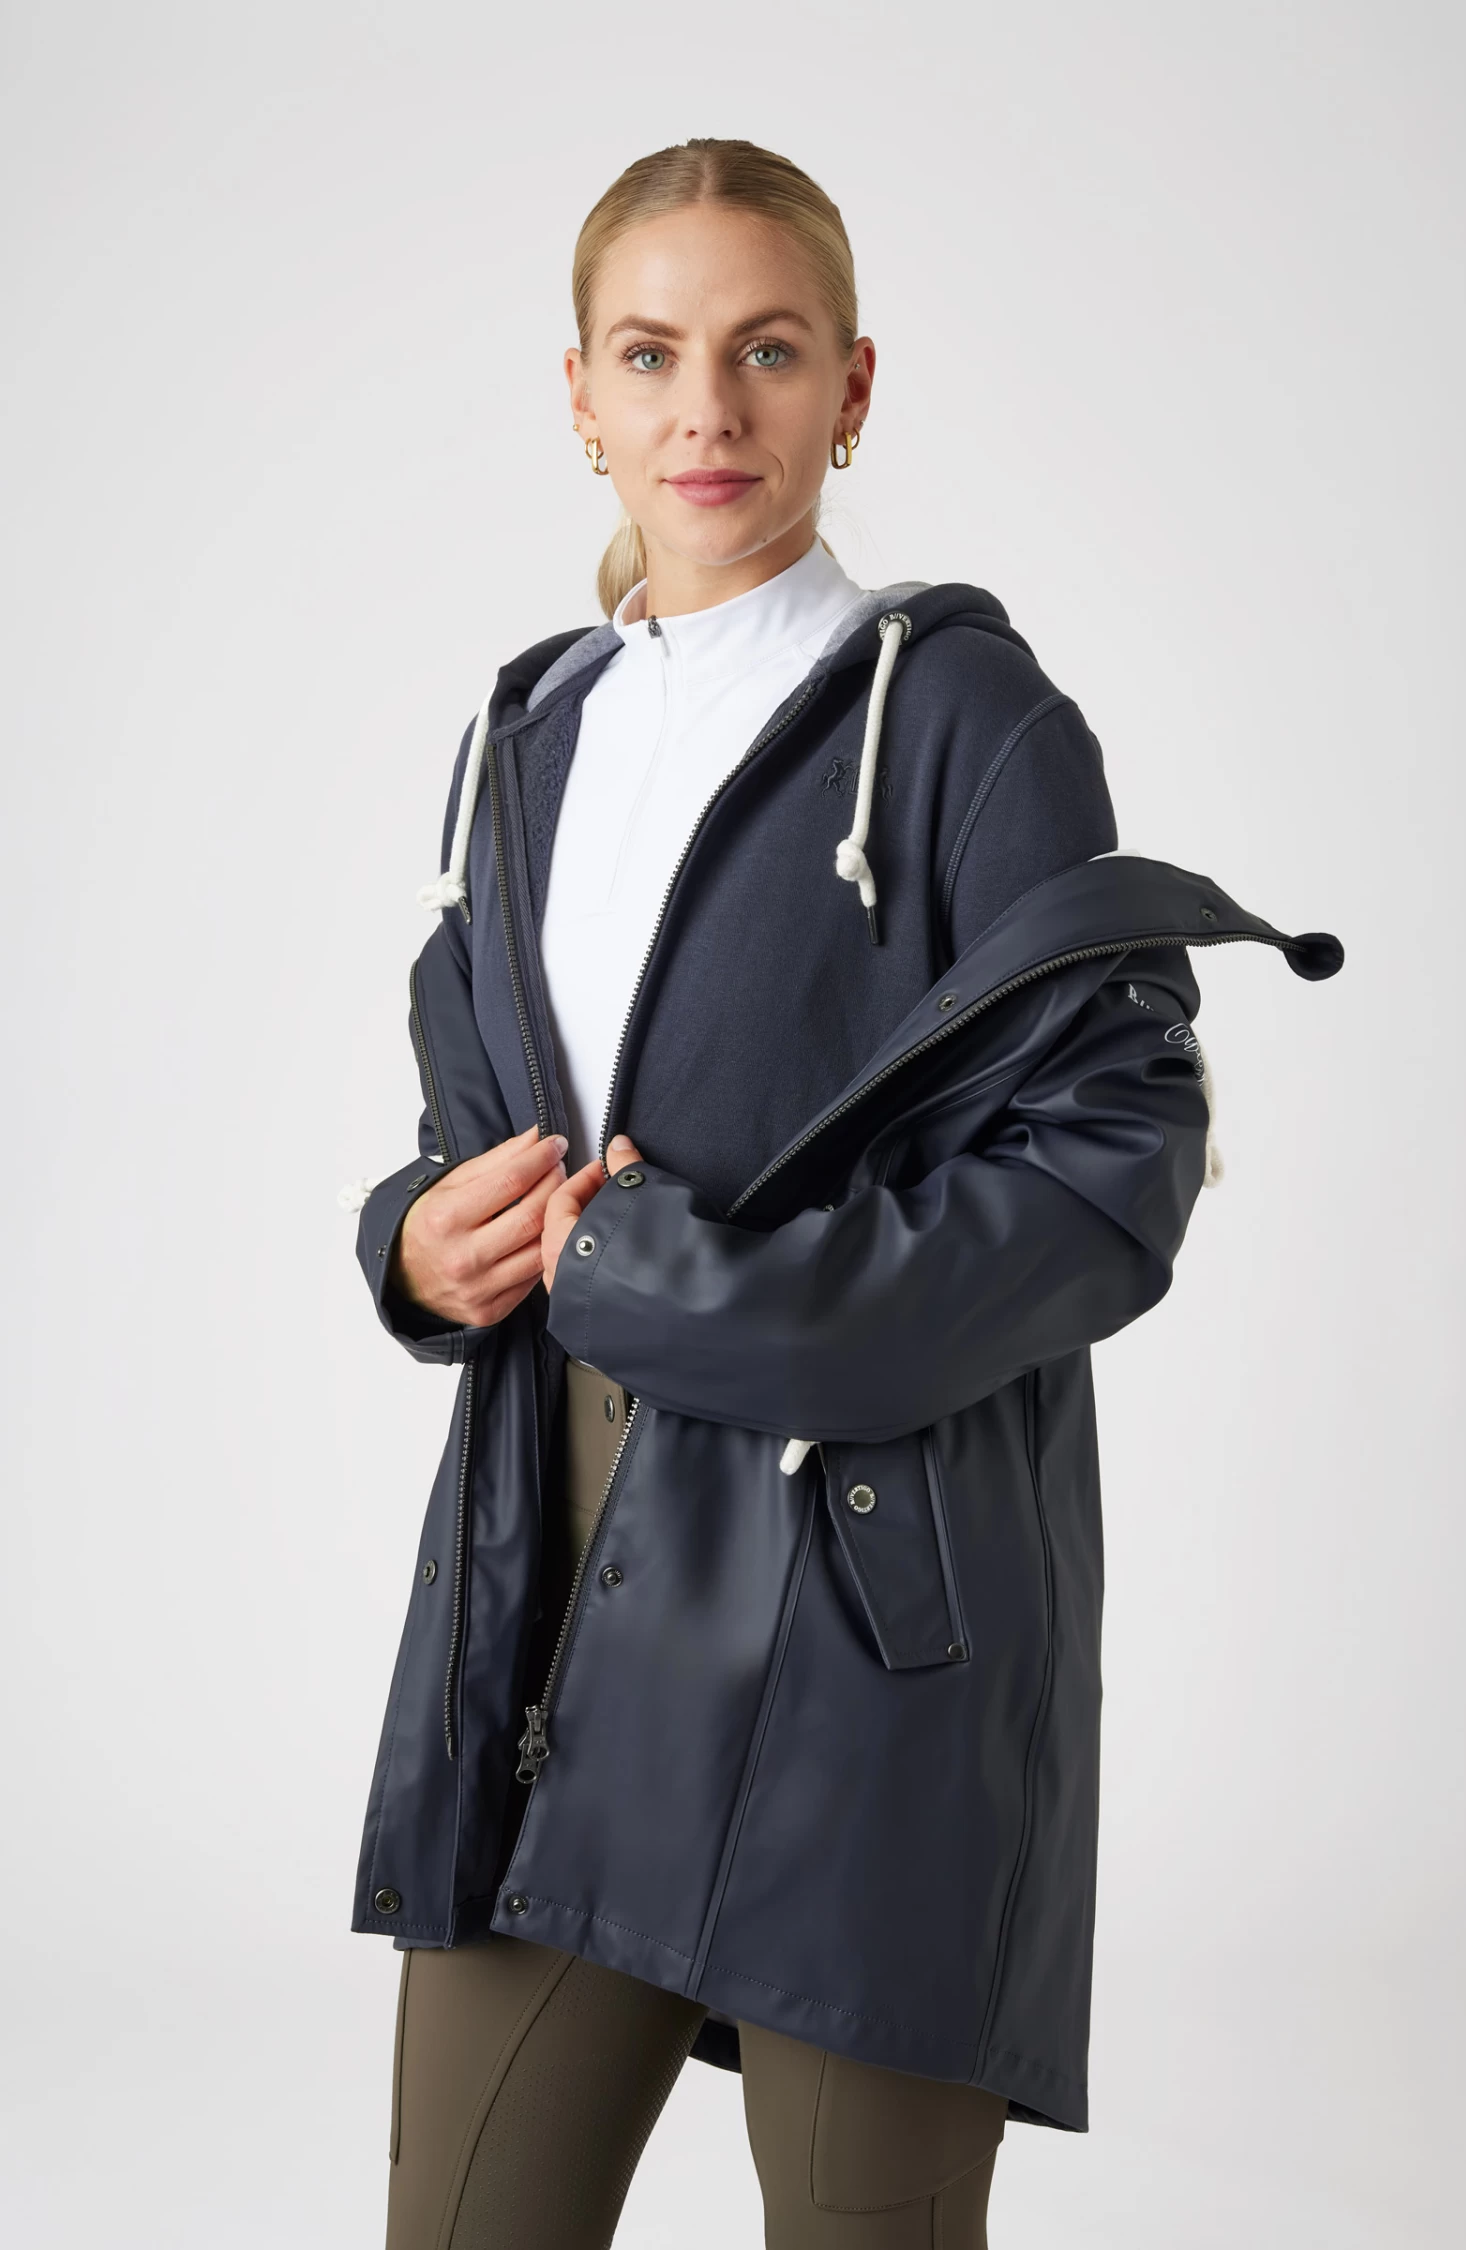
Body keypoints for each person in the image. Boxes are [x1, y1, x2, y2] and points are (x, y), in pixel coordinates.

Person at [345, 138, 1342, 2250]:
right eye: (651, 354)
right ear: (580, 393)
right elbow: (479, 1133)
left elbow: (1113, 1172)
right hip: (548, 1596)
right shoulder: (526, 737)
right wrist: (419, 1249)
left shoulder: (968, 717)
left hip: (866, 1625)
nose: (707, 409)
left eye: (768, 351)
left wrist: (674, 1288)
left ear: (852, 387)